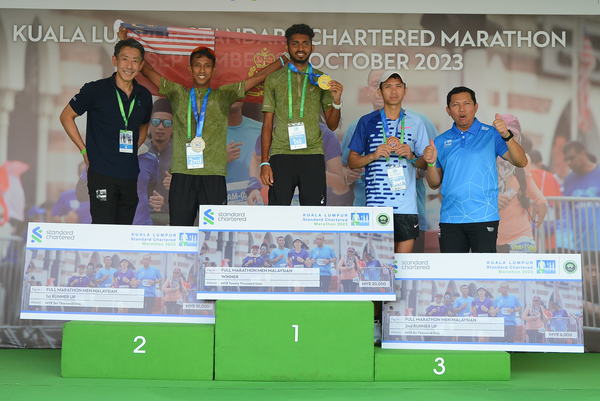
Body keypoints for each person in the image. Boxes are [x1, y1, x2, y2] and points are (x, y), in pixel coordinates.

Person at [119, 29, 286, 226]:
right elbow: (147, 71)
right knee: (180, 229)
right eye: (197, 65)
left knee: (213, 234)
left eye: (207, 66)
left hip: (213, 176)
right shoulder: (177, 93)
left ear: (213, 70)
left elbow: (256, 78)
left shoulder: (224, 95)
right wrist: (127, 41)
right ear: (190, 69)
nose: (201, 70)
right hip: (182, 175)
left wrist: (282, 61)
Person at [341, 69, 438, 250]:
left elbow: (423, 163)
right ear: (380, 91)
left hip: (406, 206)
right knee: (378, 266)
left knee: (402, 267)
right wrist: (373, 155)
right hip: (376, 206)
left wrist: (410, 155)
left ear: (405, 90)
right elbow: (352, 161)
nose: (393, 91)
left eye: (398, 86)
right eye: (388, 87)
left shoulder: (416, 122)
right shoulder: (366, 122)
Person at [423, 87, 528, 252]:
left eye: (467, 103)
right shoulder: (441, 141)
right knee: (453, 275)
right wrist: (429, 163)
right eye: (456, 105)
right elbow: (434, 183)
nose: (462, 109)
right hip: (451, 218)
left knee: (484, 276)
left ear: (476, 107)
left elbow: (521, 161)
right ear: (448, 110)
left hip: (485, 216)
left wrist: (506, 135)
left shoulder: (492, 134)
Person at [59, 38, 152, 224]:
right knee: (103, 227)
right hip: (101, 173)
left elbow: (143, 125)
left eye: (135, 60)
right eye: (125, 59)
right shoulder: (95, 89)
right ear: (115, 60)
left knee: (124, 228)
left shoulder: (144, 95)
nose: (129, 65)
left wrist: (133, 148)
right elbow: (66, 117)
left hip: (129, 173)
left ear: (141, 65)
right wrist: (84, 151)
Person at [260, 24, 343, 206]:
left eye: (305, 43)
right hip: (281, 154)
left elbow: (332, 125)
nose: (300, 48)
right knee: (277, 215)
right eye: (295, 43)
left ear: (312, 47)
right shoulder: (274, 79)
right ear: (287, 47)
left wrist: (336, 102)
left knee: (314, 217)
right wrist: (264, 163)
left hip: (312, 155)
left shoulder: (321, 79)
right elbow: (267, 124)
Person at [495, 114, 548, 253]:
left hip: (521, 238)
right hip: (489, 237)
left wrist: (541, 202)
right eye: (502, 134)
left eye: (511, 135)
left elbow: (534, 192)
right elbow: (468, 193)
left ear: (518, 138)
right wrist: (491, 199)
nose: (507, 139)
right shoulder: (483, 160)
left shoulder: (523, 160)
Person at [562, 141, 600, 252]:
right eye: (566, 160)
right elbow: (566, 211)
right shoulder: (569, 180)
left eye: (571, 158)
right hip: (579, 245)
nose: (569, 163)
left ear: (583, 153)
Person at [147, 98, 173, 225]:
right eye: (156, 122)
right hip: (141, 218)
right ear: (149, 124)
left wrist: (179, 185)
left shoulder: (182, 155)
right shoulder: (139, 151)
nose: (161, 127)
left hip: (171, 219)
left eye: (167, 123)